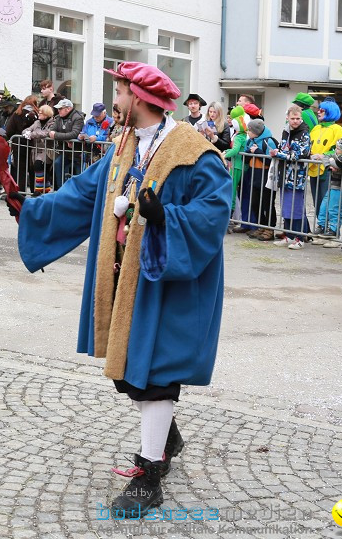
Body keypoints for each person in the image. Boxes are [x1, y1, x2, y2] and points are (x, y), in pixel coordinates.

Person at [14, 61, 230, 515]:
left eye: (119, 92)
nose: (115, 101)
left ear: (139, 98)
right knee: (127, 371)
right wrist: (31, 208)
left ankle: (149, 472)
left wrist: (163, 216)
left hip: (167, 281)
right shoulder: (125, 145)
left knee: (154, 374)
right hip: (123, 279)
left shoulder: (194, 151)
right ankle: (165, 432)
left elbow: (214, 211)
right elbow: (84, 193)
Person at [270, 106, 311, 249]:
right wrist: (278, 151)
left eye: (298, 118)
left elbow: (300, 154)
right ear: (287, 117)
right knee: (286, 207)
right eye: (292, 118)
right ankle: (288, 235)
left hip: (297, 177)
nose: (295, 121)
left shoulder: (304, 133)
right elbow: (283, 148)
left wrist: (279, 154)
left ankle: (300, 238)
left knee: (297, 208)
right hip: (284, 174)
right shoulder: (286, 131)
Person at [308, 99, 342, 236]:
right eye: (319, 109)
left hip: (327, 170)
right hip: (313, 170)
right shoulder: (316, 128)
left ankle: (332, 230)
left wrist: (323, 155)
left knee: (328, 202)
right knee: (317, 201)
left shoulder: (337, 129)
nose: (318, 112)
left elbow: (340, 149)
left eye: (322, 110)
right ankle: (321, 227)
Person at [317, 136, 342, 247]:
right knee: (324, 208)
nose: (336, 150)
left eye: (338, 148)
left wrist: (333, 162)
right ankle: (323, 230)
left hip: (341, 187)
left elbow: (341, 163)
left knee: (334, 210)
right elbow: (327, 157)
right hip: (332, 185)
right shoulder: (337, 155)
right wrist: (330, 164)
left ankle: (335, 234)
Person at [243, 118, 277, 241]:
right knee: (255, 203)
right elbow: (245, 160)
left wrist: (257, 151)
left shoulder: (269, 142)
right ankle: (260, 226)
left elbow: (271, 160)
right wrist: (248, 152)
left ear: (256, 131)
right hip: (254, 176)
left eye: (250, 130)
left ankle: (270, 229)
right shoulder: (250, 141)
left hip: (266, 177)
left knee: (267, 204)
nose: (248, 132)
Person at [49, 98, 86, 189]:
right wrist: (66, 139)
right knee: (58, 164)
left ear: (68, 109)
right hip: (64, 151)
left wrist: (57, 135)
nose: (58, 110)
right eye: (58, 109)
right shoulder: (58, 118)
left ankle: (79, 193)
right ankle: (61, 190)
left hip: (77, 152)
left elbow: (74, 134)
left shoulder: (77, 117)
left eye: (60, 108)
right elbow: (51, 131)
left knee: (78, 173)